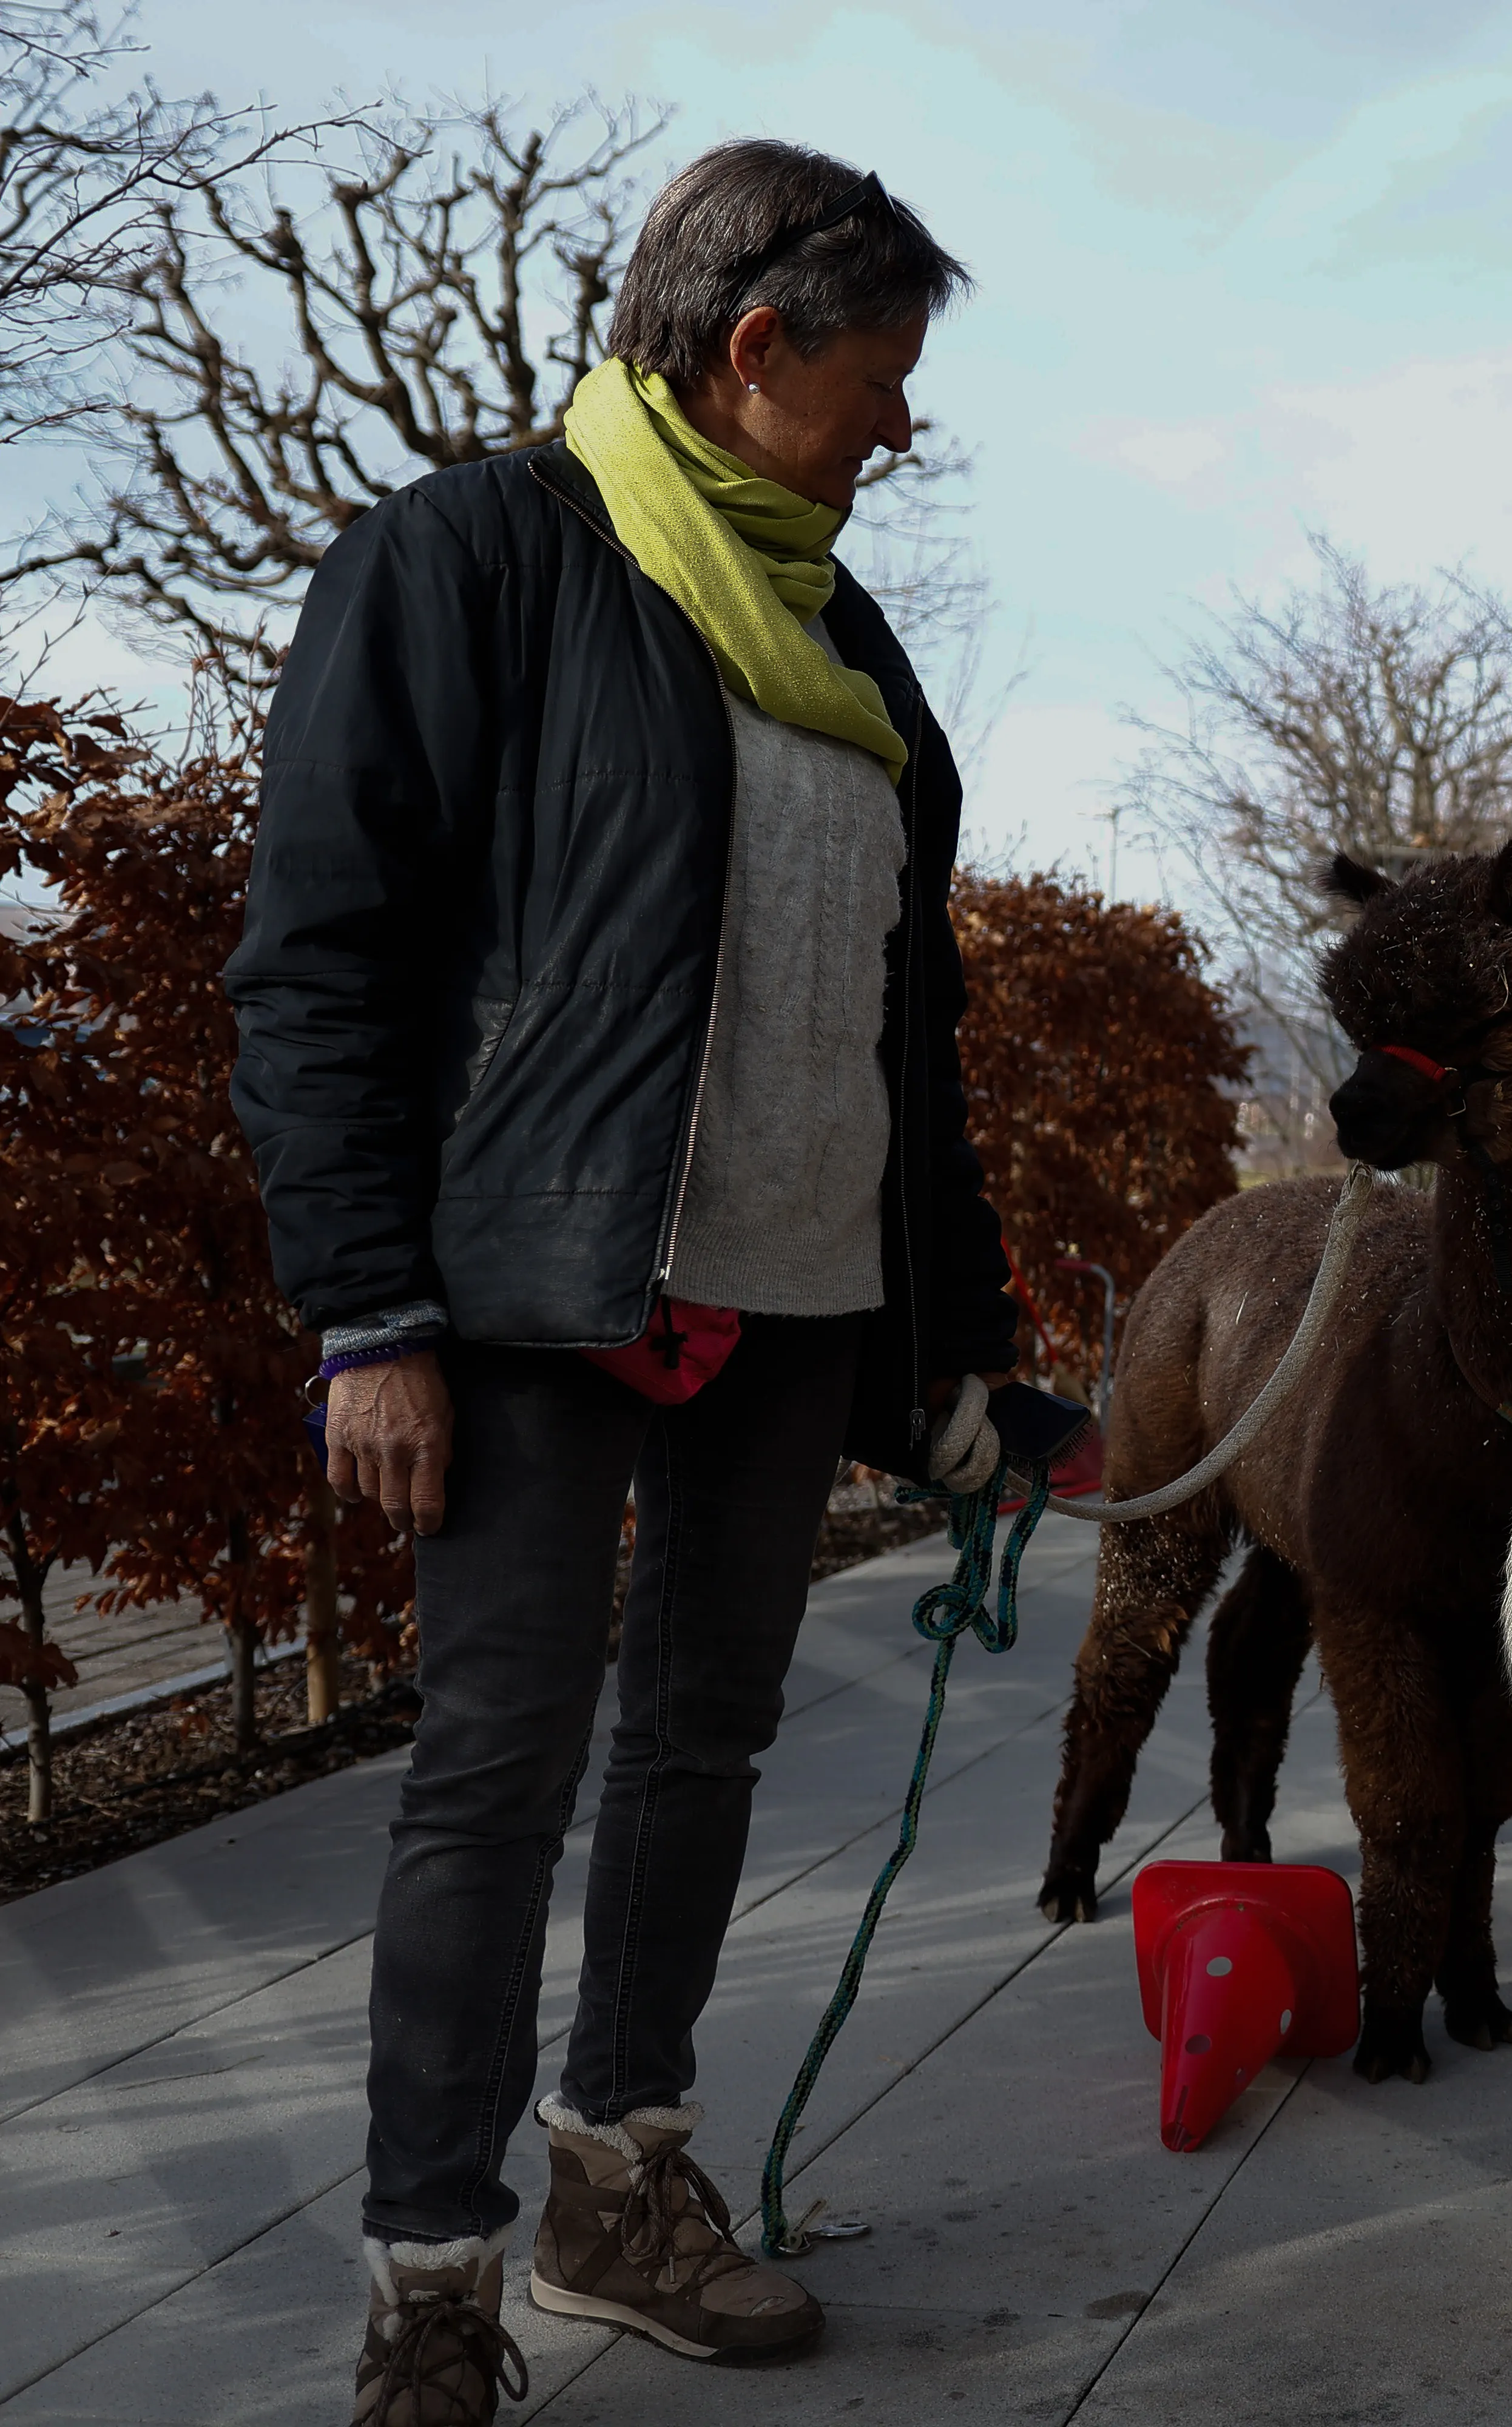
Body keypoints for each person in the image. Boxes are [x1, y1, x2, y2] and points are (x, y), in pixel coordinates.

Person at [226, 143, 1020, 2427]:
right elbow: (319, 963)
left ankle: (620, 2174)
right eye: (878, 382)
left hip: (790, 1293)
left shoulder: (852, 650)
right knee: (496, 1767)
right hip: (532, 1301)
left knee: (704, 1737)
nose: (900, 429)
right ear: (753, 347)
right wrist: (369, 1312)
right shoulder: (466, 560)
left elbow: (911, 1037)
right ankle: (431, 2268)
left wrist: (956, 1348)